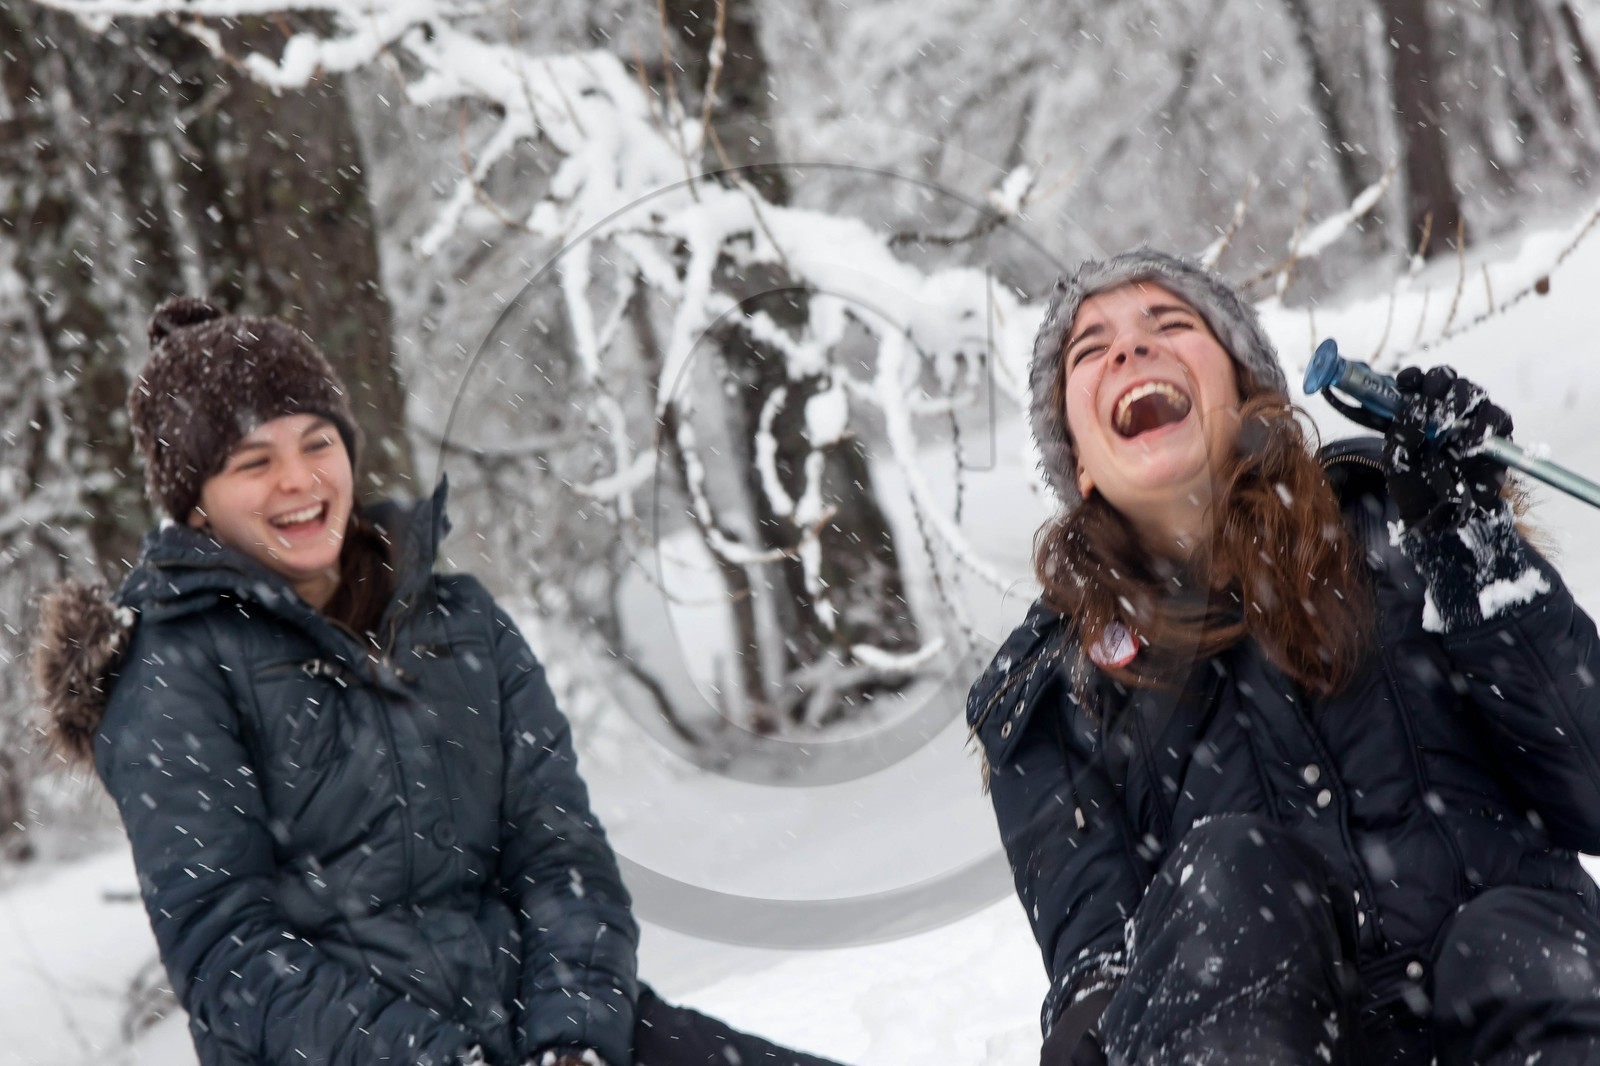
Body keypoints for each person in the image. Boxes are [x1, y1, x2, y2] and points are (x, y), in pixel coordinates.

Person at [34, 298, 847, 1066]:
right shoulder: (171, 675)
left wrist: (573, 1037)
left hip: (545, 1029)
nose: (300, 481)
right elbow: (230, 957)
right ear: (196, 506)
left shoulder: (458, 622)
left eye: (317, 444)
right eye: (255, 462)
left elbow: (559, 855)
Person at [967, 249, 1600, 1066]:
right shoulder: (1056, 690)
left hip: (1526, 1023)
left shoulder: (1398, 522)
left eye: (1170, 324)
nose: (1131, 349)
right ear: (1079, 463)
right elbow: (1100, 979)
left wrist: (1471, 545)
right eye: (1093, 349)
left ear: (1245, 393)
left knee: (1509, 934)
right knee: (1229, 874)